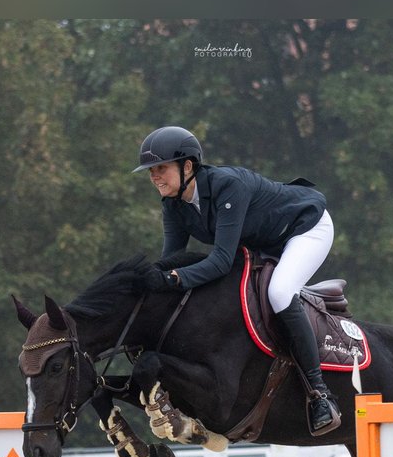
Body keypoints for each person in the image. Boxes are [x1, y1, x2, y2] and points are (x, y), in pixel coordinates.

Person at [132, 125, 341, 436]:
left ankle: (319, 394)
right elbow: (171, 260)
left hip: (306, 227)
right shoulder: (173, 205)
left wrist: (171, 279)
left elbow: (219, 261)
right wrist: (143, 282)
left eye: (160, 168)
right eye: (151, 170)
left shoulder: (227, 186)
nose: (154, 177)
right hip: (265, 242)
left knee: (281, 292)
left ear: (187, 166)